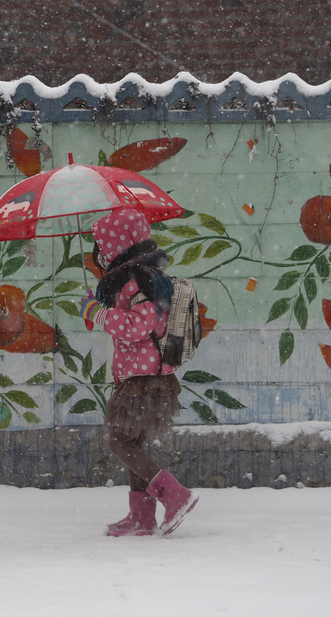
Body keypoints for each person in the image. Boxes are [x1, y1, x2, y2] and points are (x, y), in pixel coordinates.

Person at [80, 208, 198, 537]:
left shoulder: (139, 283)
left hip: (143, 383)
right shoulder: (140, 280)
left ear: (117, 249)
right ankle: (141, 518)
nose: (100, 256)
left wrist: (100, 315)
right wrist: (101, 310)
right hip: (145, 378)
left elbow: (137, 326)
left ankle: (175, 495)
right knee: (132, 443)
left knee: (120, 443)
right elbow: (136, 329)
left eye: (103, 249)